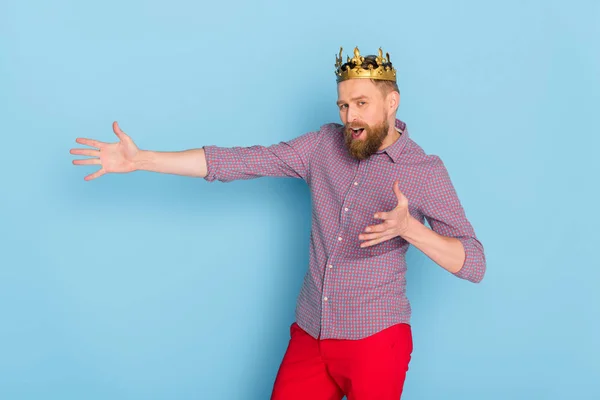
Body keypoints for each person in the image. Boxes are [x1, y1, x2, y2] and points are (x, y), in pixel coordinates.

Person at [70, 46, 486, 400]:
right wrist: (142, 160)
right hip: (310, 332)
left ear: (391, 102)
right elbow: (241, 160)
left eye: (361, 104)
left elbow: (473, 263)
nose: (350, 117)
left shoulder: (423, 171)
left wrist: (410, 228)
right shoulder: (323, 144)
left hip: (376, 339)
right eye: (343, 105)